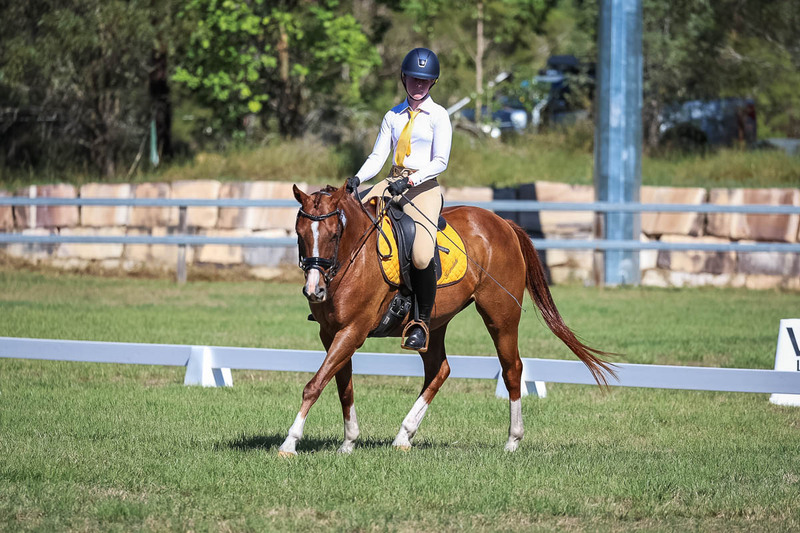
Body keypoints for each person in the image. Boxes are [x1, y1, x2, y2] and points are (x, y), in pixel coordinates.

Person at [346, 47, 453, 353]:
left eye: (425, 80)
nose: (418, 85)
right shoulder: (393, 115)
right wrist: (358, 179)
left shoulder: (439, 116)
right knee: (353, 221)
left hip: (423, 186)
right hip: (392, 181)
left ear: (432, 83)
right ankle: (338, 299)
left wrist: (411, 180)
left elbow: (441, 161)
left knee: (421, 254)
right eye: (413, 79)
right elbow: (378, 155)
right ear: (404, 78)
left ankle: (420, 322)